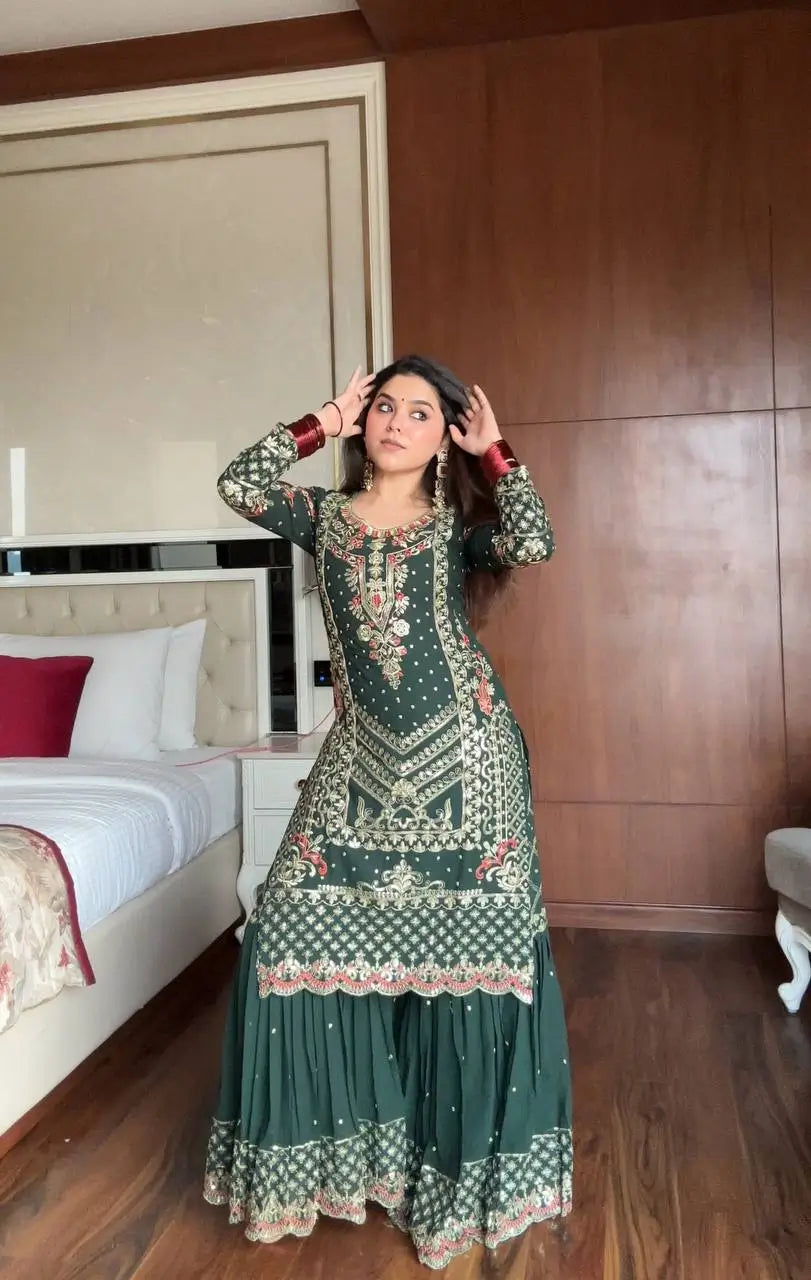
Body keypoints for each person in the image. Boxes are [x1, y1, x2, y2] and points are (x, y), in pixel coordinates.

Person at [203, 354, 572, 1269]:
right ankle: (342, 1162)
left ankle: (455, 1177)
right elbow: (239, 482)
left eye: (418, 413)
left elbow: (532, 541)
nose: (395, 423)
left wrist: (496, 454)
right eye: (384, 408)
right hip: (360, 762)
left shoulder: (454, 530)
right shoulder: (320, 516)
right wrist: (319, 422)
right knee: (285, 935)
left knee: (472, 965)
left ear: (443, 437)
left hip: (468, 761)